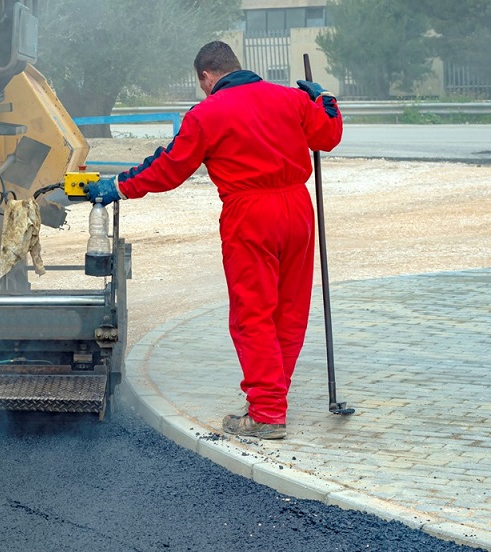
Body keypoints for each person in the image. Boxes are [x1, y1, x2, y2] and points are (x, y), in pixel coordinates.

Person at [88, 41, 342, 439]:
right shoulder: (291, 100)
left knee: (252, 315)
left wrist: (119, 185)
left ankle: (268, 412)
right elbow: (327, 137)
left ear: (206, 76)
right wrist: (325, 99)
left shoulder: (207, 113)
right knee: (289, 312)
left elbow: (169, 168)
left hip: (250, 215)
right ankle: (270, 398)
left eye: (201, 84)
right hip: (297, 209)